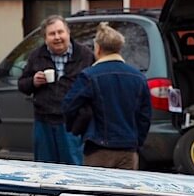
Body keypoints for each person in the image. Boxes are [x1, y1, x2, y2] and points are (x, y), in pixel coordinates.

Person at [62, 22, 151, 170]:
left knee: (96, 192)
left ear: (98, 48)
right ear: (119, 48)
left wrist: (77, 128)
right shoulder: (138, 77)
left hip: (98, 149)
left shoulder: (89, 76)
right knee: (125, 192)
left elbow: (68, 105)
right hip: (128, 150)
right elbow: (145, 116)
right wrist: (137, 141)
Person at [17, 15, 93, 164]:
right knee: (45, 170)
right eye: (52, 34)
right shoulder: (36, 56)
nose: (57, 37)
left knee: (73, 169)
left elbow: (94, 87)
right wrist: (33, 81)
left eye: (60, 32)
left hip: (72, 124)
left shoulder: (85, 55)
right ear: (45, 38)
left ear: (68, 33)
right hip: (44, 122)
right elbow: (22, 85)